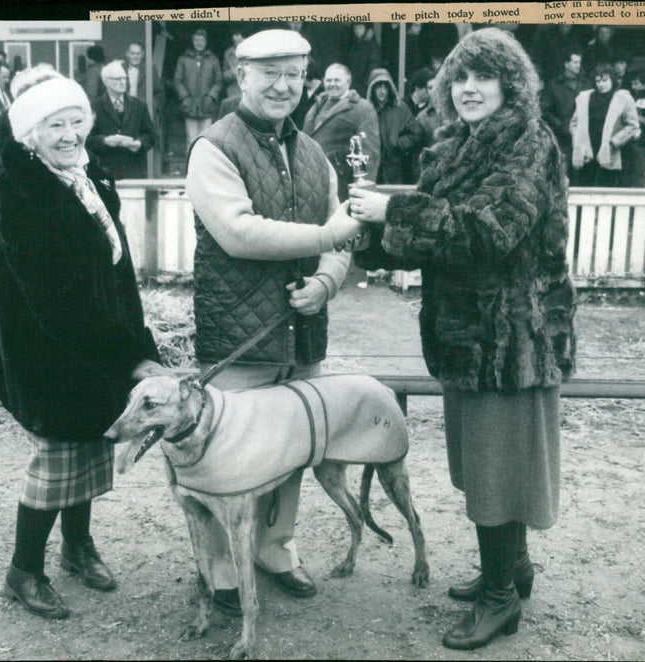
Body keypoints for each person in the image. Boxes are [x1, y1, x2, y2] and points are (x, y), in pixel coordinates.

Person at [348, 28, 576, 650]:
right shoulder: (457, 146)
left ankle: (500, 600)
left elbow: (488, 231)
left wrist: (393, 212)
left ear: (511, 84)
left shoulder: (529, 142)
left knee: (498, 467)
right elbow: (431, 235)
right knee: (485, 465)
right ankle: (513, 569)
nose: (468, 88)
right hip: (467, 337)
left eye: (484, 76)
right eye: (460, 77)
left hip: (511, 339)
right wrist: (372, 232)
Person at [185, 29, 362, 618]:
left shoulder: (313, 153)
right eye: (270, 73)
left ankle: (274, 547)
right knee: (226, 455)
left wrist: (325, 282)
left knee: (292, 450)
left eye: (295, 74)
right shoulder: (213, 147)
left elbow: (342, 235)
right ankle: (219, 566)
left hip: (301, 335)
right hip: (238, 337)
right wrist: (325, 238)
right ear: (241, 76)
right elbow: (239, 233)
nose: (284, 86)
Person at [0, 65, 168, 620]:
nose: (69, 135)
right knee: (58, 461)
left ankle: (77, 546)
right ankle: (24, 569)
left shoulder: (88, 176)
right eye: (54, 125)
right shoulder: (23, 194)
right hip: (48, 354)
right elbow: (54, 304)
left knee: (92, 443)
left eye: (76, 121)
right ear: (29, 134)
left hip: (95, 345)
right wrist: (129, 357)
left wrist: (137, 342)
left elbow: (117, 273)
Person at [302, 62, 380, 201]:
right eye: (328, 80)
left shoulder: (362, 109)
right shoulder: (317, 104)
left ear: (348, 82)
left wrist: (361, 190)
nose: (332, 84)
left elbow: (366, 153)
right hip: (313, 182)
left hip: (341, 186)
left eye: (337, 80)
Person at [570, 63, 640, 187]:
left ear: (612, 80)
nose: (601, 84)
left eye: (604, 80)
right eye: (598, 81)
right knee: (584, 187)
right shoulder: (584, 98)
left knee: (606, 188)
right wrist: (578, 143)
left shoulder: (623, 98)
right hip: (587, 150)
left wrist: (614, 142)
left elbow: (632, 126)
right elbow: (574, 124)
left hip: (610, 150)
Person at [87, 60, 158, 179]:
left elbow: (151, 135)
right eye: (118, 79)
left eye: (124, 78)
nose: (122, 82)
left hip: (134, 170)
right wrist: (104, 141)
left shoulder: (139, 105)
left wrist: (139, 144)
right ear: (106, 81)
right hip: (105, 171)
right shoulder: (94, 106)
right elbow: (86, 138)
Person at [540, 47, 591, 180]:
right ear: (566, 64)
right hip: (563, 138)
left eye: (579, 62)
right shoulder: (554, 85)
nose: (578, 65)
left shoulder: (587, 84)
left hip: (583, 136)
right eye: (575, 62)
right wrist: (559, 125)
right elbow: (544, 109)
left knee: (583, 174)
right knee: (563, 173)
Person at [366, 67, 419, 185]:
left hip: (396, 169)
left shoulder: (401, 108)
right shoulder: (366, 110)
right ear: (372, 89)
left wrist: (399, 145)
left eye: (385, 87)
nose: (382, 91)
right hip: (372, 169)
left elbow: (416, 132)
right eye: (378, 87)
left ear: (390, 88)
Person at [173, 27, 222, 143]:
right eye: (196, 40)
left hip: (207, 106)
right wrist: (184, 97)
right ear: (192, 41)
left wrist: (211, 97)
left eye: (202, 40)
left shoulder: (213, 60)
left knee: (206, 140)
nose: (199, 43)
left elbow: (218, 81)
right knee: (191, 139)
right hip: (189, 105)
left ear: (206, 42)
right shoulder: (183, 59)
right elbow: (177, 81)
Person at [342, 23, 382, 96]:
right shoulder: (354, 44)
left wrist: (364, 84)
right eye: (355, 28)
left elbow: (373, 66)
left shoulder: (372, 45)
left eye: (360, 28)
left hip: (363, 87)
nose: (357, 31)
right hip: (353, 84)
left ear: (366, 29)